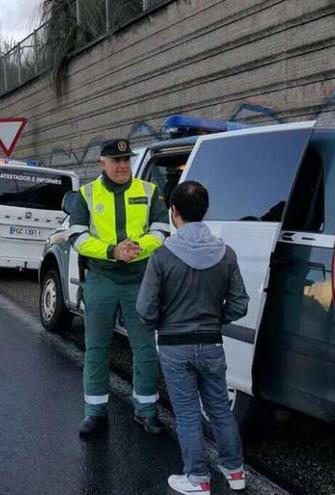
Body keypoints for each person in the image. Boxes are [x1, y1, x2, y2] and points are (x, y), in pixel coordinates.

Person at [136, 181, 250, 495]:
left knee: (186, 412)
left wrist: (160, 323)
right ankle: (235, 471)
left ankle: (198, 478)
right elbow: (240, 303)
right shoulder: (226, 253)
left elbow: (145, 308)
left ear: (174, 212)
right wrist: (216, 319)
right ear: (205, 211)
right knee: (219, 410)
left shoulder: (161, 255)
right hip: (212, 343)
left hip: (174, 346)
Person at [68, 138, 170, 436]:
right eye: (116, 161)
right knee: (97, 347)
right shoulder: (86, 194)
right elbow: (77, 236)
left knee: (145, 348)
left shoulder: (148, 191)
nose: (123, 165)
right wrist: (113, 251)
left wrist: (137, 247)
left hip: (139, 278)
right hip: (102, 277)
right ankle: (95, 412)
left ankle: (146, 410)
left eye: (127, 160)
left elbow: (162, 229)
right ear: (103, 162)